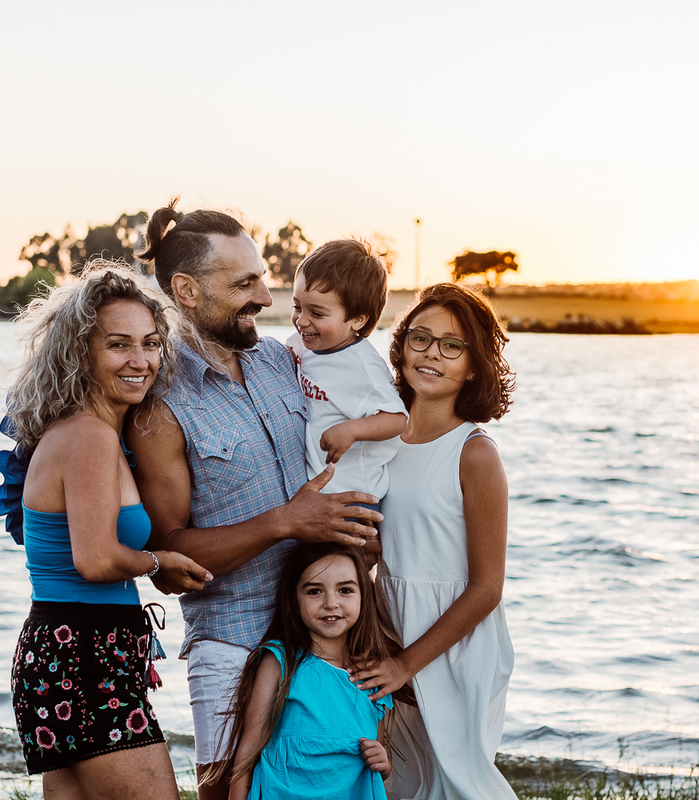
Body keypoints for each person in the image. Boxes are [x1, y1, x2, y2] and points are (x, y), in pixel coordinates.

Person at [125, 199, 385, 800]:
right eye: (245, 283)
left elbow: (358, 433)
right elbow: (168, 560)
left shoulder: (283, 361)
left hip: (321, 640)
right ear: (186, 290)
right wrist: (284, 521)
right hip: (232, 641)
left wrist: (360, 537)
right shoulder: (160, 404)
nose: (266, 299)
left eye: (264, 280)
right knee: (226, 794)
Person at [3, 262, 212, 800]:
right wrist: (159, 563)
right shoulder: (89, 437)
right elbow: (94, 560)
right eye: (119, 345)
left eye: (149, 344)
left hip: (71, 652)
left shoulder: (87, 432)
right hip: (82, 656)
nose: (139, 361)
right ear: (81, 353)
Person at [348, 283, 518, 800]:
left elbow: (488, 587)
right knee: (396, 780)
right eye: (421, 338)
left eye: (452, 345)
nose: (432, 355)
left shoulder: (475, 453)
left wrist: (408, 663)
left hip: (454, 639)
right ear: (400, 348)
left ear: (474, 366)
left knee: (458, 782)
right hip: (386, 626)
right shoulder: (379, 440)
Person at [211, 542, 394, 800]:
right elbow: (248, 751)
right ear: (293, 598)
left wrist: (383, 763)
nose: (331, 603)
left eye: (345, 590)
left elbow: (378, 753)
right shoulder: (281, 661)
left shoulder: (371, 676)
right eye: (314, 591)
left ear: (364, 595)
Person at [287, 239, 407, 513]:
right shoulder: (304, 342)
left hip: (352, 497)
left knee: (333, 556)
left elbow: (397, 419)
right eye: (297, 307)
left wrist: (352, 430)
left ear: (358, 320)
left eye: (317, 312)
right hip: (315, 490)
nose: (302, 321)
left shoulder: (363, 368)